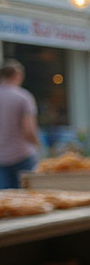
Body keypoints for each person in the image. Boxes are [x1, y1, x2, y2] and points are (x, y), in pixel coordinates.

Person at [0, 59, 40, 189]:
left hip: (1, 157)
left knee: (5, 201)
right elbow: (28, 129)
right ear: (18, 76)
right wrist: (37, 145)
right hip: (21, 153)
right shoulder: (23, 97)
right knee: (28, 197)